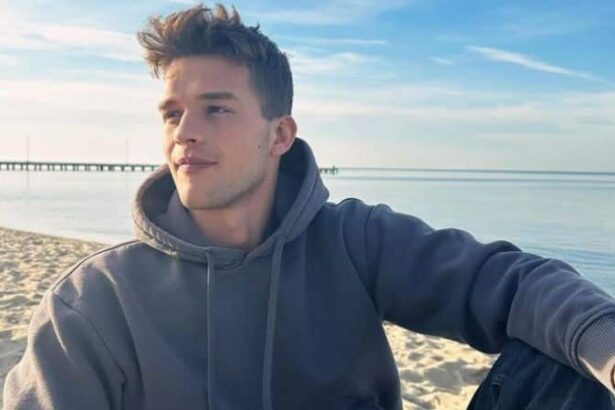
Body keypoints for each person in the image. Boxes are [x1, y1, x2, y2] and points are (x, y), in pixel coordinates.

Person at [3, 4, 615, 410]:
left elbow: (513, 284)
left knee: (567, 357)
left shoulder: (354, 240)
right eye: (172, 113)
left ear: (279, 135)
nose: (184, 132)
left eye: (216, 109)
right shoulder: (97, 298)